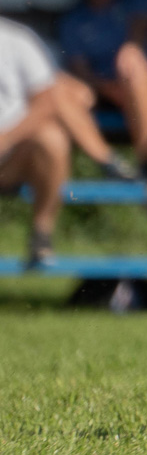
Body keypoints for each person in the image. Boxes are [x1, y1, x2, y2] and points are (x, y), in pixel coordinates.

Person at [58, 0, 147, 171]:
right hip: (98, 92)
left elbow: (140, 30)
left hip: (137, 85)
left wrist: (131, 50)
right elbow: (79, 69)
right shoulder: (73, 19)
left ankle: (146, 164)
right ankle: (110, 164)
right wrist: (110, 89)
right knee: (60, 90)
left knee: (135, 68)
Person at [0, 17, 76, 267]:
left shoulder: (16, 38)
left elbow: (45, 101)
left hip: (12, 154)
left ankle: (41, 233)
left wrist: (8, 137)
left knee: (52, 138)